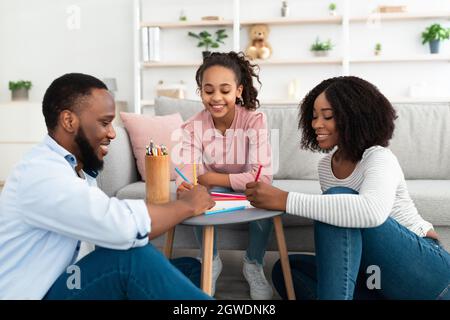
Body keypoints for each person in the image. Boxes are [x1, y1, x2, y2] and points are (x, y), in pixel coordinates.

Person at [0, 73, 216, 300]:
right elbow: (122, 226)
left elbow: (104, 226)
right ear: (69, 121)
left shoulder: (76, 169)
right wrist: (186, 206)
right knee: (130, 260)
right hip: (42, 293)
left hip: (72, 277)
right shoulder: (42, 173)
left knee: (190, 269)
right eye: (105, 123)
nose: (112, 133)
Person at [245, 76, 450, 300]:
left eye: (328, 116)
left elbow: (370, 211)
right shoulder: (326, 168)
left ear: (354, 117)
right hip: (375, 277)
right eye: (314, 116)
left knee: (338, 200)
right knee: (286, 271)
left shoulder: (379, 157)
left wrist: (285, 199)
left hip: (431, 276)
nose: (316, 124)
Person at [175, 52, 274, 299]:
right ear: (200, 93)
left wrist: (212, 178)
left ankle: (253, 263)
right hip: (217, 191)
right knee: (197, 197)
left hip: (247, 188)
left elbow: (261, 177)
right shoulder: (192, 126)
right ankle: (211, 259)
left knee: (266, 198)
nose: (216, 98)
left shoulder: (254, 121)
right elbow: (188, 171)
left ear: (238, 91)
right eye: (208, 91)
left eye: (225, 90)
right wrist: (187, 185)